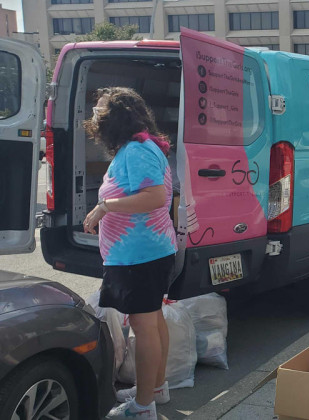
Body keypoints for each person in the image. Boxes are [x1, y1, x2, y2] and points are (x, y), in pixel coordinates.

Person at [83, 87, 177, 420]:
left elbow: (153, 197)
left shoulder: (137, 150)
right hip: (147, 252)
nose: (95, 122)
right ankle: (156, 388)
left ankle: (142, 406)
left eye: (99, 116)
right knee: (153, 320)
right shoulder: (141, 146)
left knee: (144, 326)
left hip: (141, 256)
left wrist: (103, 207)